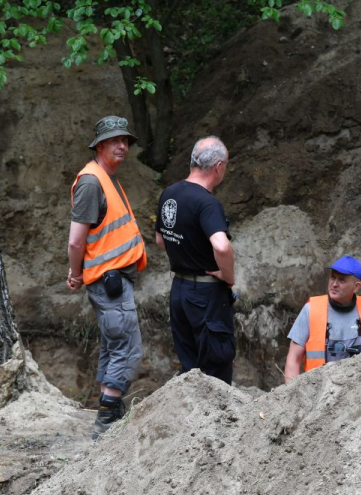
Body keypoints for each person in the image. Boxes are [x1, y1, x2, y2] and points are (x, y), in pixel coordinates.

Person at [66, 116, 147, 440]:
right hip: (108, 282)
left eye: (125, 141)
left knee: (115, 346)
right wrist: (75, 274)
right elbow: (76, 240)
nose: (122, 146)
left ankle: (108, 411)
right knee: (128, 349)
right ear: (99, 145)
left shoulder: (104, 178)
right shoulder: (91, 181)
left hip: (111, 279)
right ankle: (106, 420)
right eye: (115, 140)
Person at [155, 136, 236, 385]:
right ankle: (218, 424)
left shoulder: (170, 193)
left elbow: (160, 240)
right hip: (206, 294)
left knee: (190, 370)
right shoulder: (207, 203)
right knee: (215, 371)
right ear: (218, 166)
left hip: (179, 290)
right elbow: (221, 246)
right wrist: (228, 277)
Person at [284, 255, 361, 383]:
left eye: (342, 280)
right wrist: (293, 398)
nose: (334, 284)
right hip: (318, 394)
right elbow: (293, 359)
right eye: (333, 277)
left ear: (356, 286)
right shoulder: (311, 310)